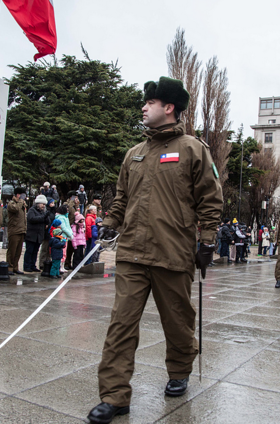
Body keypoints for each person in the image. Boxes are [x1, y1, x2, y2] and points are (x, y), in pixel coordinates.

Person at [87, 76, 222, 424]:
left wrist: (207, 240)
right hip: (132, 253)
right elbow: (122, 199)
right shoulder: (135, 153)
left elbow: (210, 199)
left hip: (172, 252)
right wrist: (111, 223)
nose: (143, 108)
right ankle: (115, 396)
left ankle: (179, 370)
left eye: (150, 102)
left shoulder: (194, 149)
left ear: (169, 108)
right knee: (121, 324)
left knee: (178, 322)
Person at [24, 195, 49, 272]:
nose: (43, 206)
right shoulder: (32, 210)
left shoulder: (43, 212)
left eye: (44, 205)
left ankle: (33, 265)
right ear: (38, 203)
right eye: (42, 204)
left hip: (39, 235)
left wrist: (46, 217)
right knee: (29, 251)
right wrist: (43, 217)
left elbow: (47, 222)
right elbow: (32, 219)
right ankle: (27, 266)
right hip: (31, 234)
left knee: (35, 251)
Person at [7, 187, 27, 275]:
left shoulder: (22, 205)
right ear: (17, 195)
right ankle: (9, 267)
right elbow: (15, 209)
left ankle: (15, 267)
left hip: (21, 230)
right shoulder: (11, 203)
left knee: (18, 251)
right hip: (14, 230)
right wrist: (20, 201)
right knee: (12, 250)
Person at [55, 204, 73, 273]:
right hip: (62, 236)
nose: (68, 211)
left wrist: (70, 234)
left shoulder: (65, 217)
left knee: (64, 252)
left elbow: (68, 227)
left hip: (65, 236)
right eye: (67, 210)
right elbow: (63, 227)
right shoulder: (60, 218)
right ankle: (60, 266)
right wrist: (70, 234)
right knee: (62, 252)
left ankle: (62, 266)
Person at [65, 191, 79, 269]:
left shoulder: (75, 206)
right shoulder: (67, 204)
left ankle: (69, 262)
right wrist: (71, 202)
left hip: (74, 229)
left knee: (72, 247)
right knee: (67, 248)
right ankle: (66, 263)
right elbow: (68, 211)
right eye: (75, 197)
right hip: (68, 227)